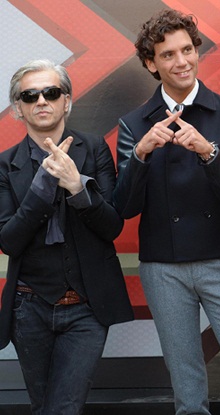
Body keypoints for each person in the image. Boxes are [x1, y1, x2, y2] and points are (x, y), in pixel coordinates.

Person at [113, 9, 220, 415]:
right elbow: (124, 207)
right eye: (168, 54)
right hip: (163, 268)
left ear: (197, 51)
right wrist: (141, 153)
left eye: (187, 50)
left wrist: (208, 153)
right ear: (151, 63)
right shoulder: (134, 124)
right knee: (188, 394)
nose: (181, 62)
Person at [0, 59, 133, 414]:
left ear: (67, 101)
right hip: (28, 308)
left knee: (65, 407)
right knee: (43, 406)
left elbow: (112, 227)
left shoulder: (95, 149)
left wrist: (77, 188)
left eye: (51, 92)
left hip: (86, 307)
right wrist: (41, 188)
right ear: (18, 108)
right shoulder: (5, 165)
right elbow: (9, 241)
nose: (41, 100)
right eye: (30, 96)